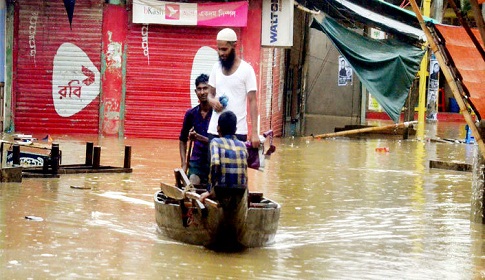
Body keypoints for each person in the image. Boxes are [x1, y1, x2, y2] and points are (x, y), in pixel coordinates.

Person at [207, 28, 260, 149]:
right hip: (215, 130)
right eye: (219, 49)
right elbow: (210, 94)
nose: (221, 53)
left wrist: (255, 132)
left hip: (238, 132)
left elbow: (252, 101)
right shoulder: (216, 68)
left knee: (237, 167)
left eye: (224, 49)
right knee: (214, 167)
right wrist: (212, 101)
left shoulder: (247, 70)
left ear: (234, 46)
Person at [200, 111, 248, 202]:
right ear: (236, 129)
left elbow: (215, 165)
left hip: (221, 190)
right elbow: (244, 170)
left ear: (218, 128)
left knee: (201, 198)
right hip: (241, 190)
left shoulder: (215, 142)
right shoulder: (243, 145)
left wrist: (210, 190)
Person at [179, 74, 212, 185]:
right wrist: (184, 164)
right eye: (199, 89)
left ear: (211, 89)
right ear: (195, 92)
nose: (202, 92)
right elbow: (182, 139)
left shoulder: (218, 114)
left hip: (214, 161)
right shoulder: (191, 114)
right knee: (192, 184)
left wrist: (198, 137)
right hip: (196, 162)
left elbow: (221, 141)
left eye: (205, 88)